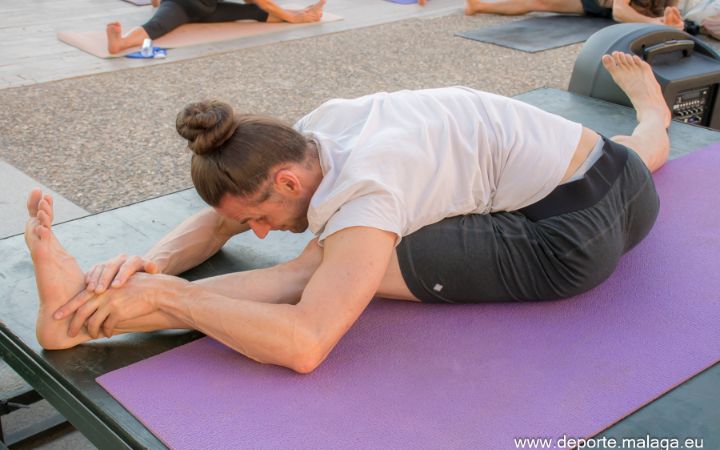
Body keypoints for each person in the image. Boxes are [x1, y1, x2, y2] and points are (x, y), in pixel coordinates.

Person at [26, 51, 669, 373]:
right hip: (629, 181)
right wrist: (153, 258)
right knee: (645, 149)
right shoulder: (316, 130)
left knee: (314, 267)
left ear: (284, 178)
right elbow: (222, 218)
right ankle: (654, 115)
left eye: (258, 217)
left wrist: (174, 295)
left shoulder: (369, 191)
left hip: (560, 247)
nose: (254, 233)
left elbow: (307, 344)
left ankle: (83, 320)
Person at [106, 0, 326, 54]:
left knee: (256, 13)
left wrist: (293, 16)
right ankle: (120, 41)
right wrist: (292, 18)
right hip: (183, 4)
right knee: (156, 25)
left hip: (205, 8)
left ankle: (305, 14)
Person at [464, 0, 685, 30]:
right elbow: (619, 10)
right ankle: (480, 7)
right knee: (540, 3)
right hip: (601, 3)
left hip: (635, 10)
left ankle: (480, 6)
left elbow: (671, 11)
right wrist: (654, 23)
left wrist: (667, 22)